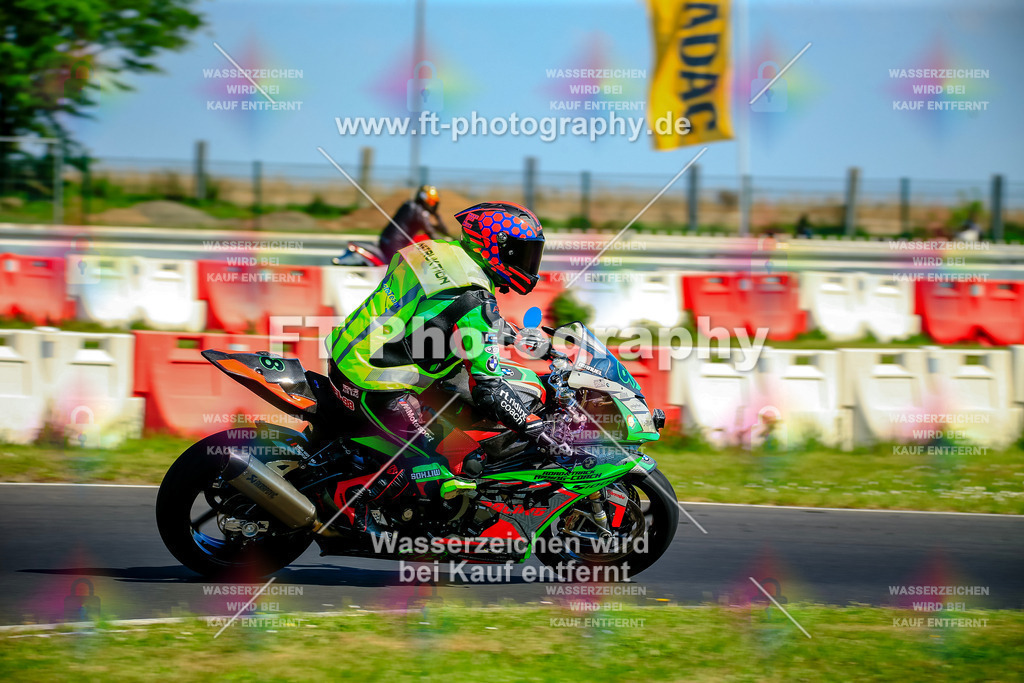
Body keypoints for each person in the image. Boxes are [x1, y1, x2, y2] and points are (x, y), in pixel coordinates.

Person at [327, 201, 565, 536]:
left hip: (357, 351)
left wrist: (533, 343)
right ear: (493, 247)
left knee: (453, 414)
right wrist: (535, 427)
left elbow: (449, 312)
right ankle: (358, 511)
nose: (527, 264)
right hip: (376, 381)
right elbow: (490, 389)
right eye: (520, 253)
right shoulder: (476, 299)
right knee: (433, 466)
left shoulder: (442, 253)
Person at [378, 184, 450, 263]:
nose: (432, 205)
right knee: (402, 269)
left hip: (387, 241)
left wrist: (437, 216)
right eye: (431, 202)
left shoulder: (411, 206)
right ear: (424, 199)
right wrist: (448, 245)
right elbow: (431, 233)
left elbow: (438, 228)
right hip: (393, 245)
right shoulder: (418, 211)